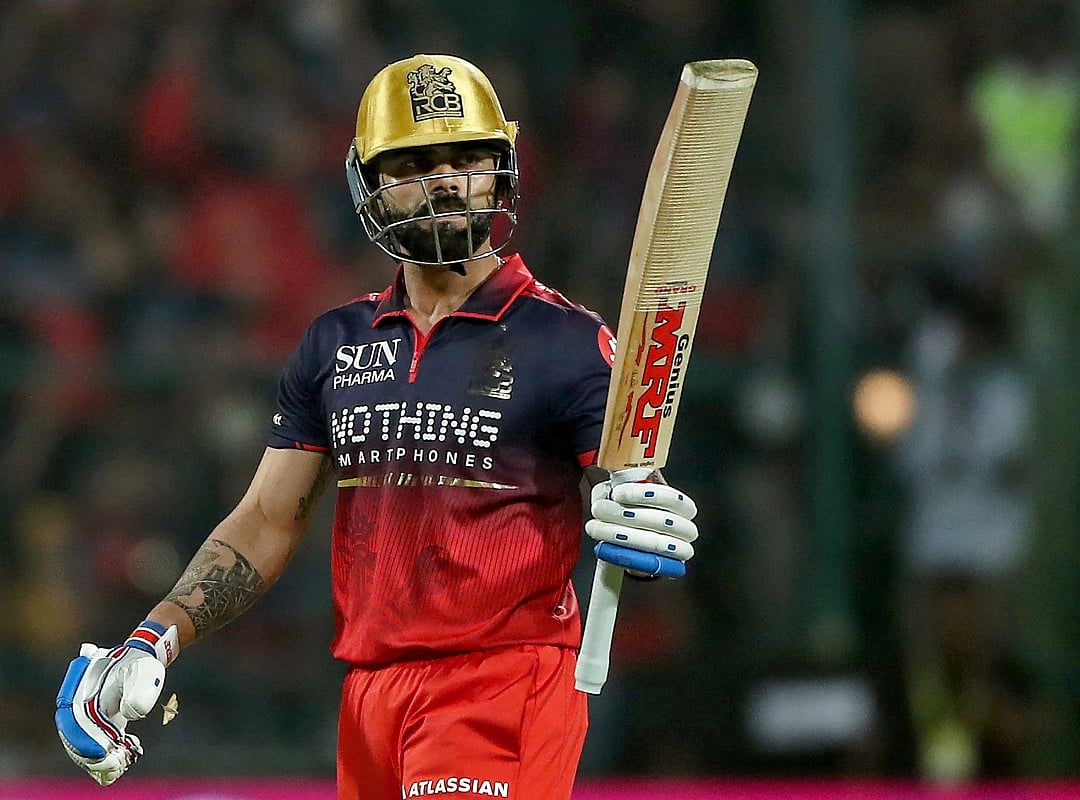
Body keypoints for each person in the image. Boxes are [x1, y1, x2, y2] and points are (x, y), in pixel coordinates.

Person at [54, 53, 700, 799]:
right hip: (370, 698)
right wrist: (155, 636)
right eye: (415, 163)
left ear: (502, 170)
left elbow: (623, 483)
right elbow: (266, 517)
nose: (447, 180)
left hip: (502, 684)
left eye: (468, 158)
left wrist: (635, 507)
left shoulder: (567, 343)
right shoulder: (335, 343)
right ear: (369, 183)